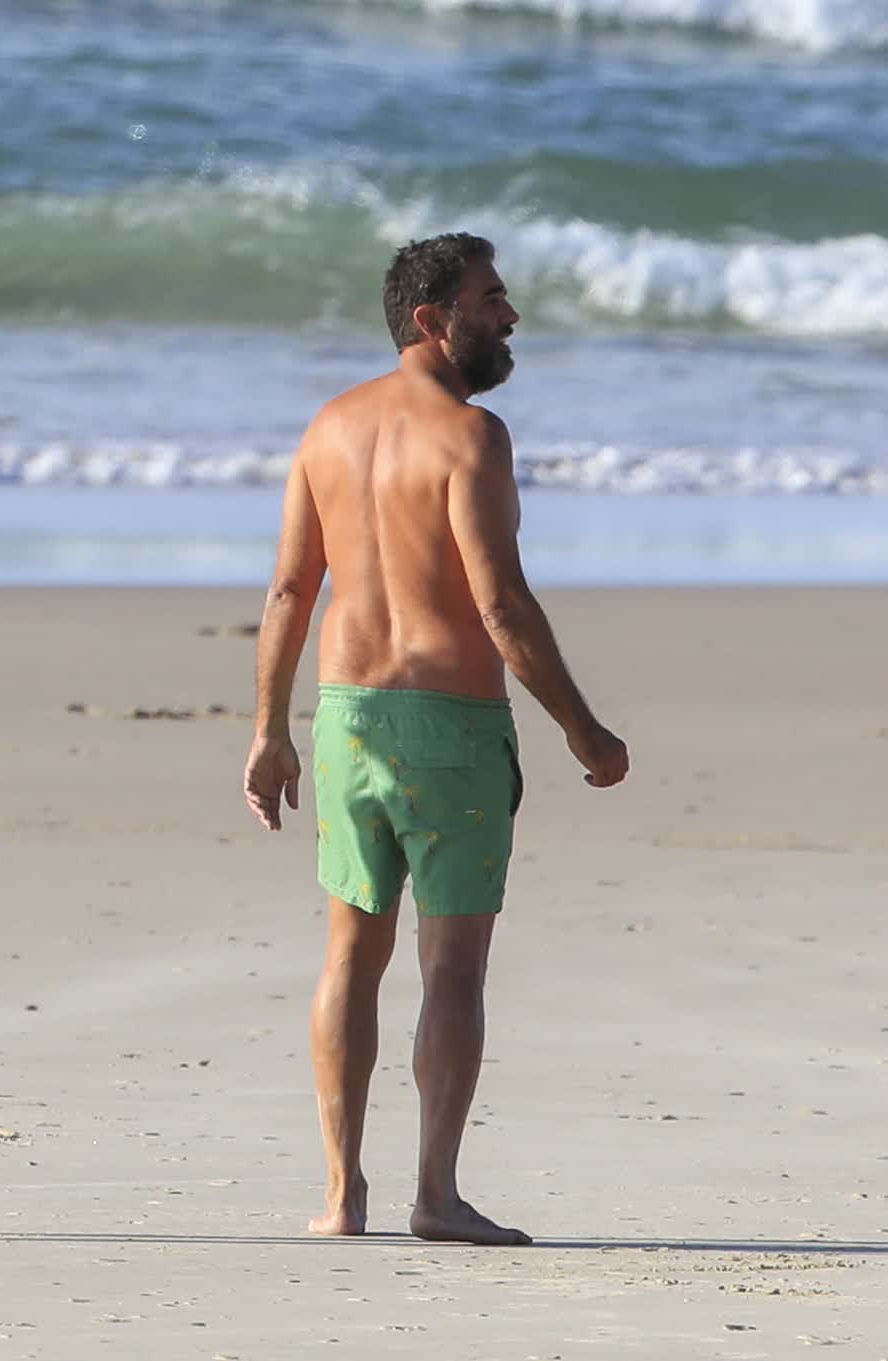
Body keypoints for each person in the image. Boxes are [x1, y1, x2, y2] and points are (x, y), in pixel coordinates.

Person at [242, 234, 629, 1246]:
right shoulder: (471, 436)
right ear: (431, 319)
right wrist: (583, 729)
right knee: (452, 963)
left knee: (349, 953)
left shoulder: (327, 427)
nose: (508, 316)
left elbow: (288, 589)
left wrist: (268, 729)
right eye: (490, 299)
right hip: (450, 726)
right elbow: (500, 606)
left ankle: (340, 1194)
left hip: (345, 716)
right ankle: (436, 1194)